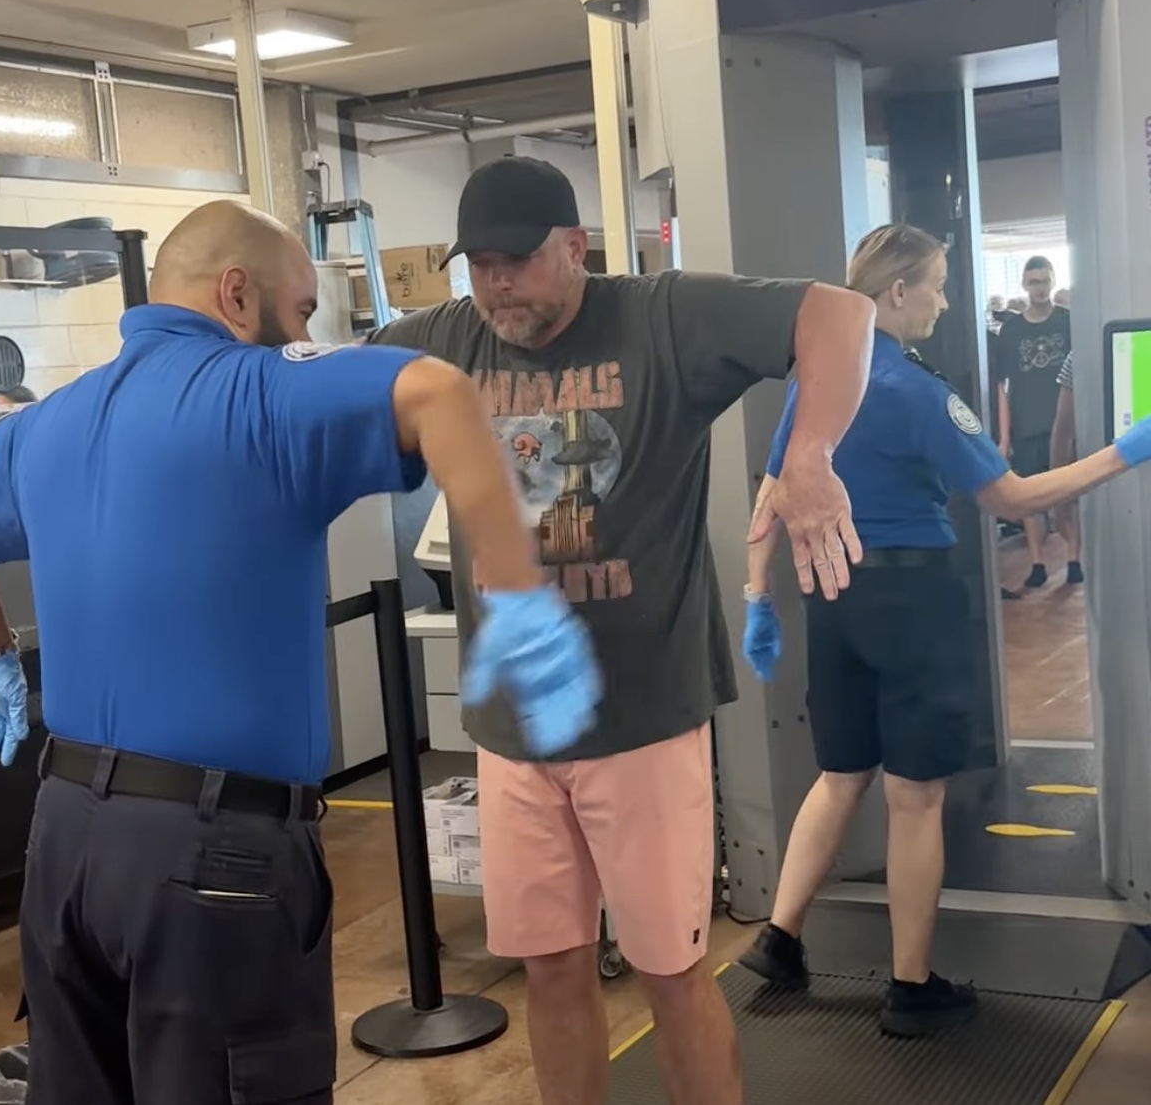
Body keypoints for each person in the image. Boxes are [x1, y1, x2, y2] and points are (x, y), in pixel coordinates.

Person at [0, 200, 601, 1105]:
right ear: (237, 293)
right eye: (304, 310)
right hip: (214, 857)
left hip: (67, 841)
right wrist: (515, 591)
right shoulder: (259, 390)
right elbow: (439, 392)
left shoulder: (50, 421)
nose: (304, 332)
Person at [366, 155, 877, 1105]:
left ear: (575, 247)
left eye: (515, 261)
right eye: (478, 265)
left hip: (642, 719)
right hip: (514, 735)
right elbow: (323, 395)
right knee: (553, 971)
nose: (496, 285)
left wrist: (810, 451)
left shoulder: (660, 317)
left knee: (671, 974)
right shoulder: (442, 340)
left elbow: (840, 315)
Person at [738, 225, 1151, 1036]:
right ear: (897, 294)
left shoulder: (815, 383)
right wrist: (1127, 451)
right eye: (935, 284)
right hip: (913, 607)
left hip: (837, 600)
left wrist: (756, 595)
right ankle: (910, 986)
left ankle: (779, 940)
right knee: (915, 799)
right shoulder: (922, 394)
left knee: (839, 775)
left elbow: (773, 495)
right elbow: (1014, 498)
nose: (945, 300)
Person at [995, 255, 1073, 589]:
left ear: (1052, 281)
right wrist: (1004, 434)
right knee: (1027, 494)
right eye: (1033, 282)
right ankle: (1037, 561)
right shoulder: (1011, 329)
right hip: (1026, 420)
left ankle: (1075, 558)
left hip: (1062, 419)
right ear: (1025, 284)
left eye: (1044, 281)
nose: (1039, 288)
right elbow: (1001, 384)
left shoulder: (1068, 322)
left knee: (1069, 490)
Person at [1050, 350, 1083, 582]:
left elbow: (1063, 430)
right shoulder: (1080, 352)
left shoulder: (1080, 351)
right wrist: (1058, 495)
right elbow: (1063, 430)